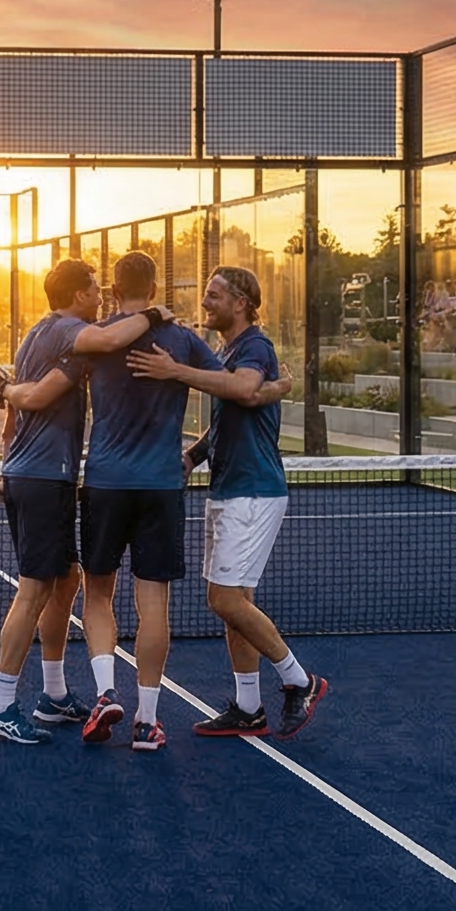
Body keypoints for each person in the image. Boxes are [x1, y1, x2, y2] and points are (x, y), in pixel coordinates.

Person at [126, 265, 325, 739]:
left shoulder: (255, 346)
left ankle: (301, 680)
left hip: (254, 491)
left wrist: (175, 371)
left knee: (225, 598)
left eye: (215, 295)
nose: (206, 302)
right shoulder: (227, 350)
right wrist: (194, 455)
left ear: (241, 302)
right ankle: (248, 706)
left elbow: (241, 389)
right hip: (228, 487)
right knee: (238, 601)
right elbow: (233, 410)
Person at [73, 251, 228, 753]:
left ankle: (104, 693)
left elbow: (56, 391)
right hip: (161, 486)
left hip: (105, 483)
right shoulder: (181, 340)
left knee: (96, 594)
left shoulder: (98, 339)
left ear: (114, 290)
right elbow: (228, 389)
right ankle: (146, 721)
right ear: (156, 286)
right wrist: (198, 451)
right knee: (153, 602)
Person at [0, 259, 131, 744]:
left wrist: (12, 398)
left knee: (66, 580)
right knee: (35, 589)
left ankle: (54, 694)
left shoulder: (37, 333)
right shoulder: (70, 333)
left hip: (43, 476)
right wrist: (155, 315)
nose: (101, 296)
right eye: (95, 289)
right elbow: (43, 393)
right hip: (41, 478)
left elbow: (21, 399)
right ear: (78, 294)